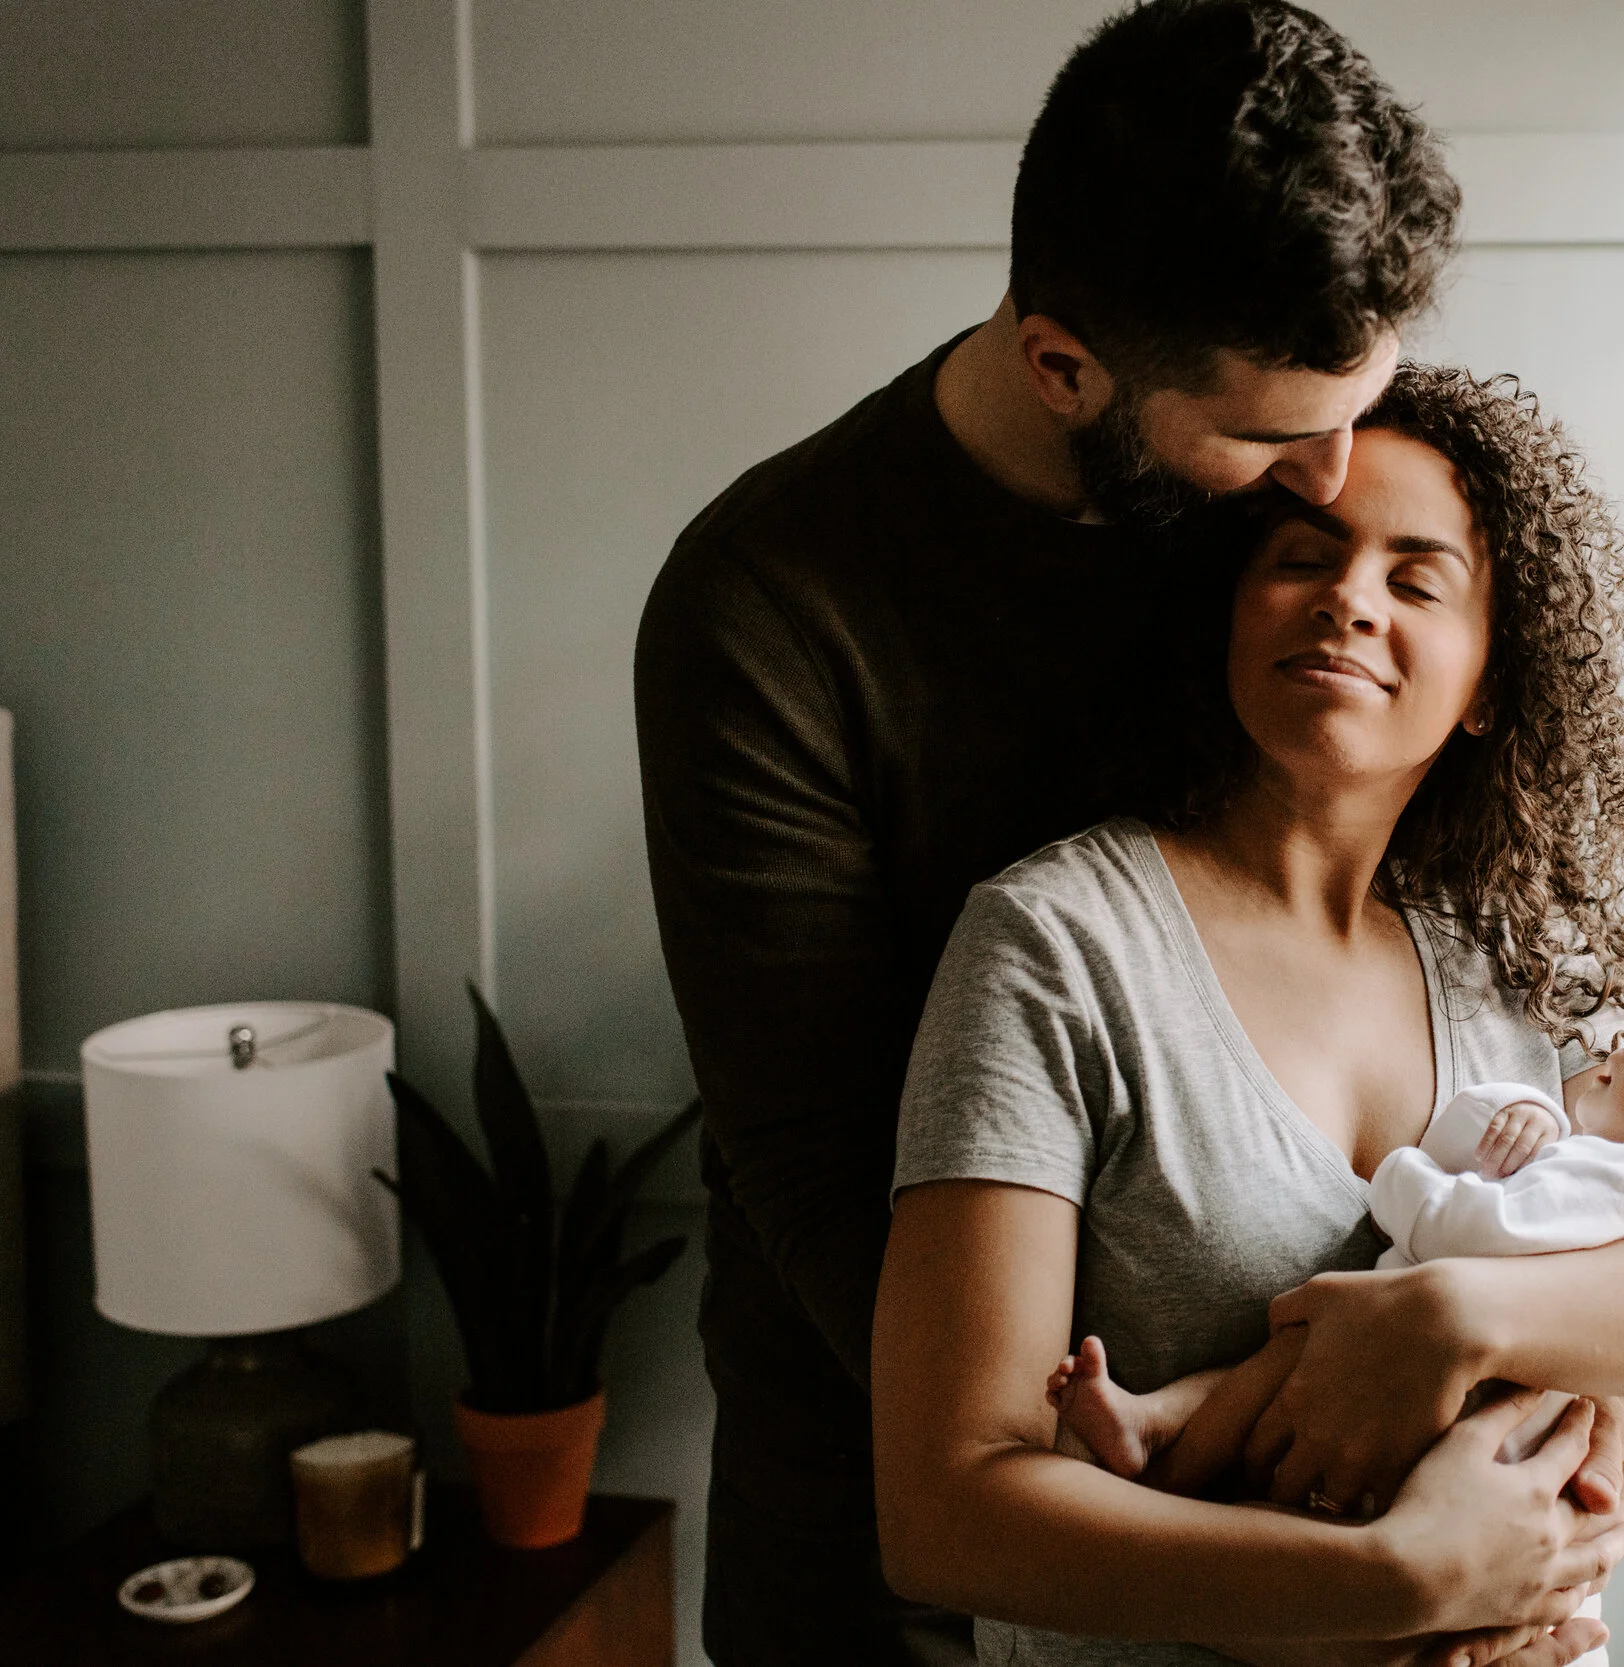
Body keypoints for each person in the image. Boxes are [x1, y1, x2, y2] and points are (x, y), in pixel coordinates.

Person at [638, 7, 1466, 1662]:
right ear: (1064, 366)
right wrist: (1113, 1468)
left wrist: (1517, 1357)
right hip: (891, 1497)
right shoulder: (764, 614)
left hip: (1312, 1442)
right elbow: (811, 1173)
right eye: (1270, 437)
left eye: (1359, 404)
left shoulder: (1298, 490)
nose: (1331, 481)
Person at [874, 367, 1624, 1667]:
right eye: (1302, 557)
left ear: (1493, 677)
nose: (1348, 598)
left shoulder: (1520, 965)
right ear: (1226, 607)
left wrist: (1442, 1322)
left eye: (1418, 576)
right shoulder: (1058, 945)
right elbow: (945, 1516)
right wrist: (1390, 1577)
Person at [1043, 971, 1624, 1528]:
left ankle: (1163, 1451)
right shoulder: (1611, 1175)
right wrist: (1520, 1123)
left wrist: (1404, 1175)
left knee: (1291, 1363)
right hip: (1460, 1419)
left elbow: (1467, 1229)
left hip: (1464, 1411)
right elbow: (1491, 1168)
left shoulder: (1619, 1185)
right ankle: (1155, 1437)